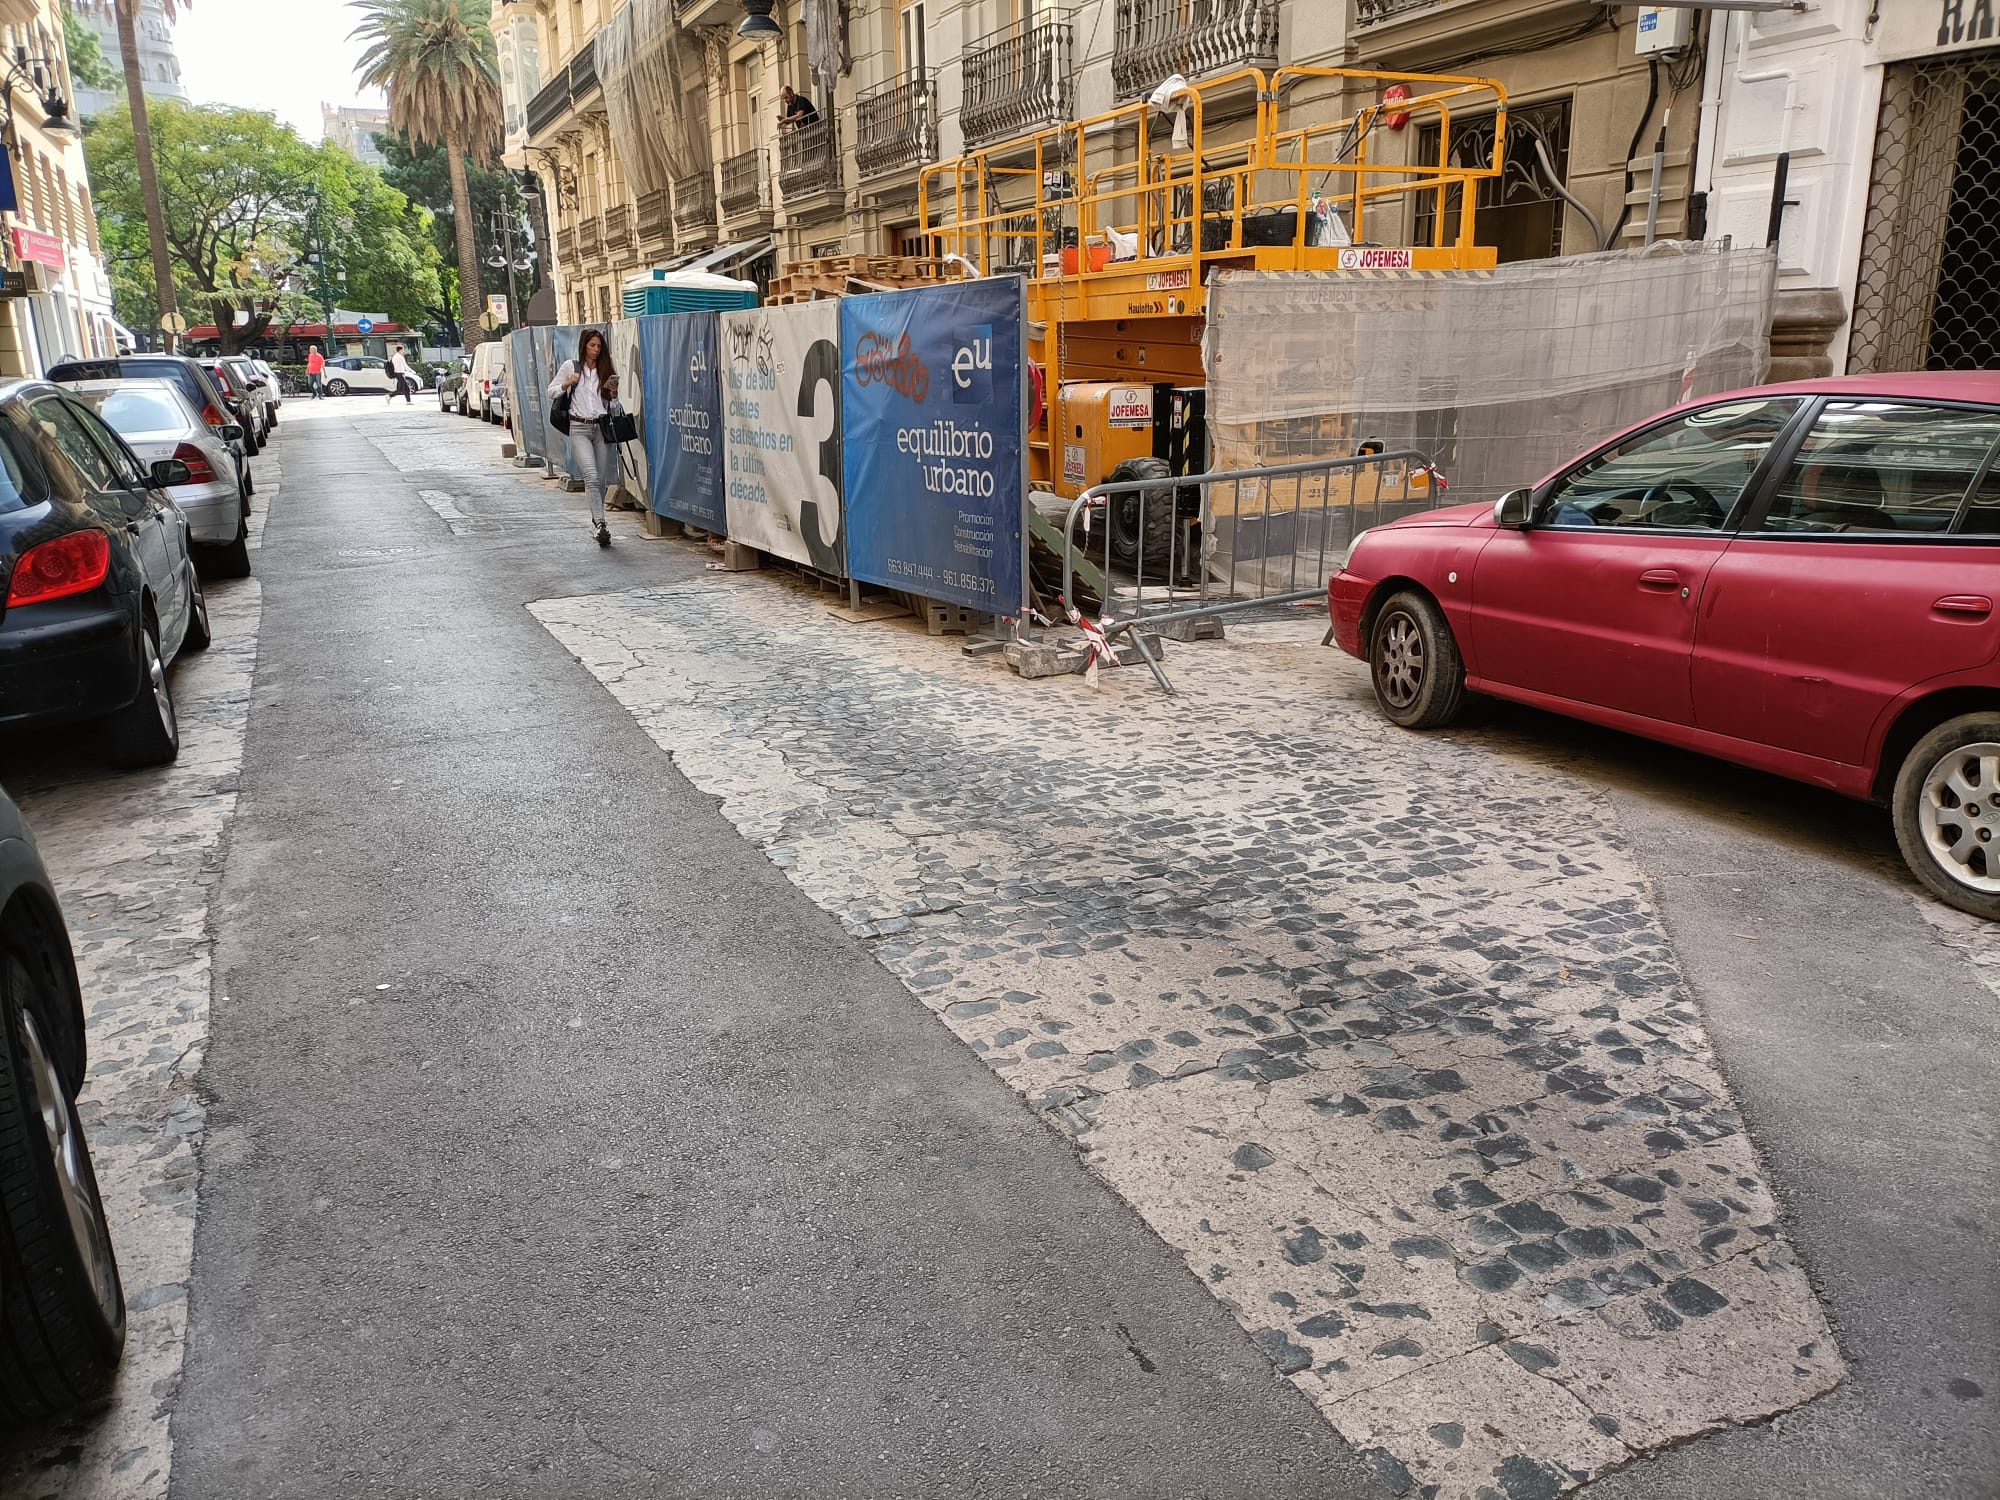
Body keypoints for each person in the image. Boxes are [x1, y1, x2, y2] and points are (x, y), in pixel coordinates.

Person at [547, 328, 620, 547]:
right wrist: (568, 383)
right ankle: (600, 523)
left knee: (603, 478)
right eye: (592, 345)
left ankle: (597, 522)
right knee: (591, 475)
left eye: (599, 346)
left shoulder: (606, 369)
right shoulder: (572, 366)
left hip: (600, 428)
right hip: (578, 427)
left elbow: (612, 407)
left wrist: (614, 396)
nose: (596, 350)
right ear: (584, 346)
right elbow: (551, 391)